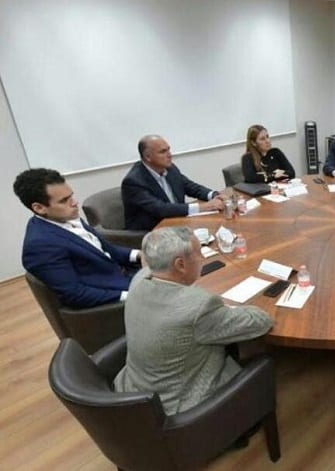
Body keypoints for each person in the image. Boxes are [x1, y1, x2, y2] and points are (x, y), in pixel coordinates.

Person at [114, 226, 273, 415]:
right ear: (180, 264)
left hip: (136, 388)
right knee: (262, 359)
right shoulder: (199, 307)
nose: (203, 258)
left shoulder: (139, 280)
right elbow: (261, 321)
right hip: (179, 405)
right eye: (199, 253)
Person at [13, 168, 140, 308]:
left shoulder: (65, 217)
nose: (74, 203)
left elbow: (107, 249)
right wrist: (134, 296)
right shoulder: (40, 246)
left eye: (71, 196)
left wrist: (139, 255)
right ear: (39, 208)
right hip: (118, 293)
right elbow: (75, 295)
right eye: (64, 201)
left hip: (127, 274)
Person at [122, 135, 226, 231]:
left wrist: (214, 195)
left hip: (178, 222)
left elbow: (190, 187)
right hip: (151, 232)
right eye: (163, 152)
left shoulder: (170, 168)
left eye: (169, 149)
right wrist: (204, 207)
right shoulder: (133, 182)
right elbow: (160, 209)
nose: (169, 155)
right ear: (148, 157)